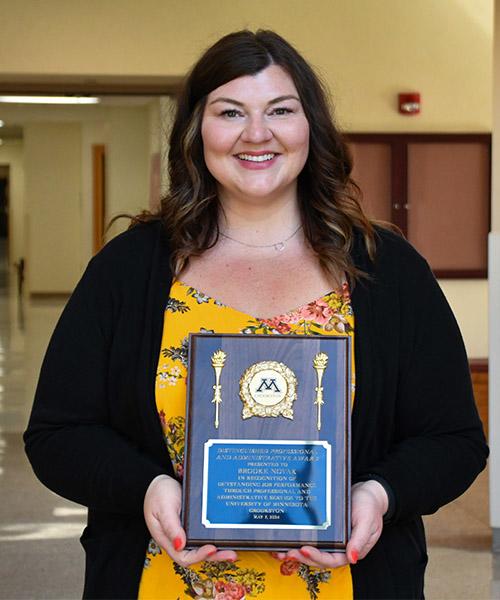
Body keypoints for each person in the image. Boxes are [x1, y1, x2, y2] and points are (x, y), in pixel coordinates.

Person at [24, 30, 488, 600]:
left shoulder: (387, 272)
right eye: (229, 112)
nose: (256, 133)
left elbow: (454, 440)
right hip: (160, 584)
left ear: (309, 126)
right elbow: (57, 434)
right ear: (196, 130)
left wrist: (378, 494)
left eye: (280, 110)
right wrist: (145, 488)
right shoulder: (130, 270)